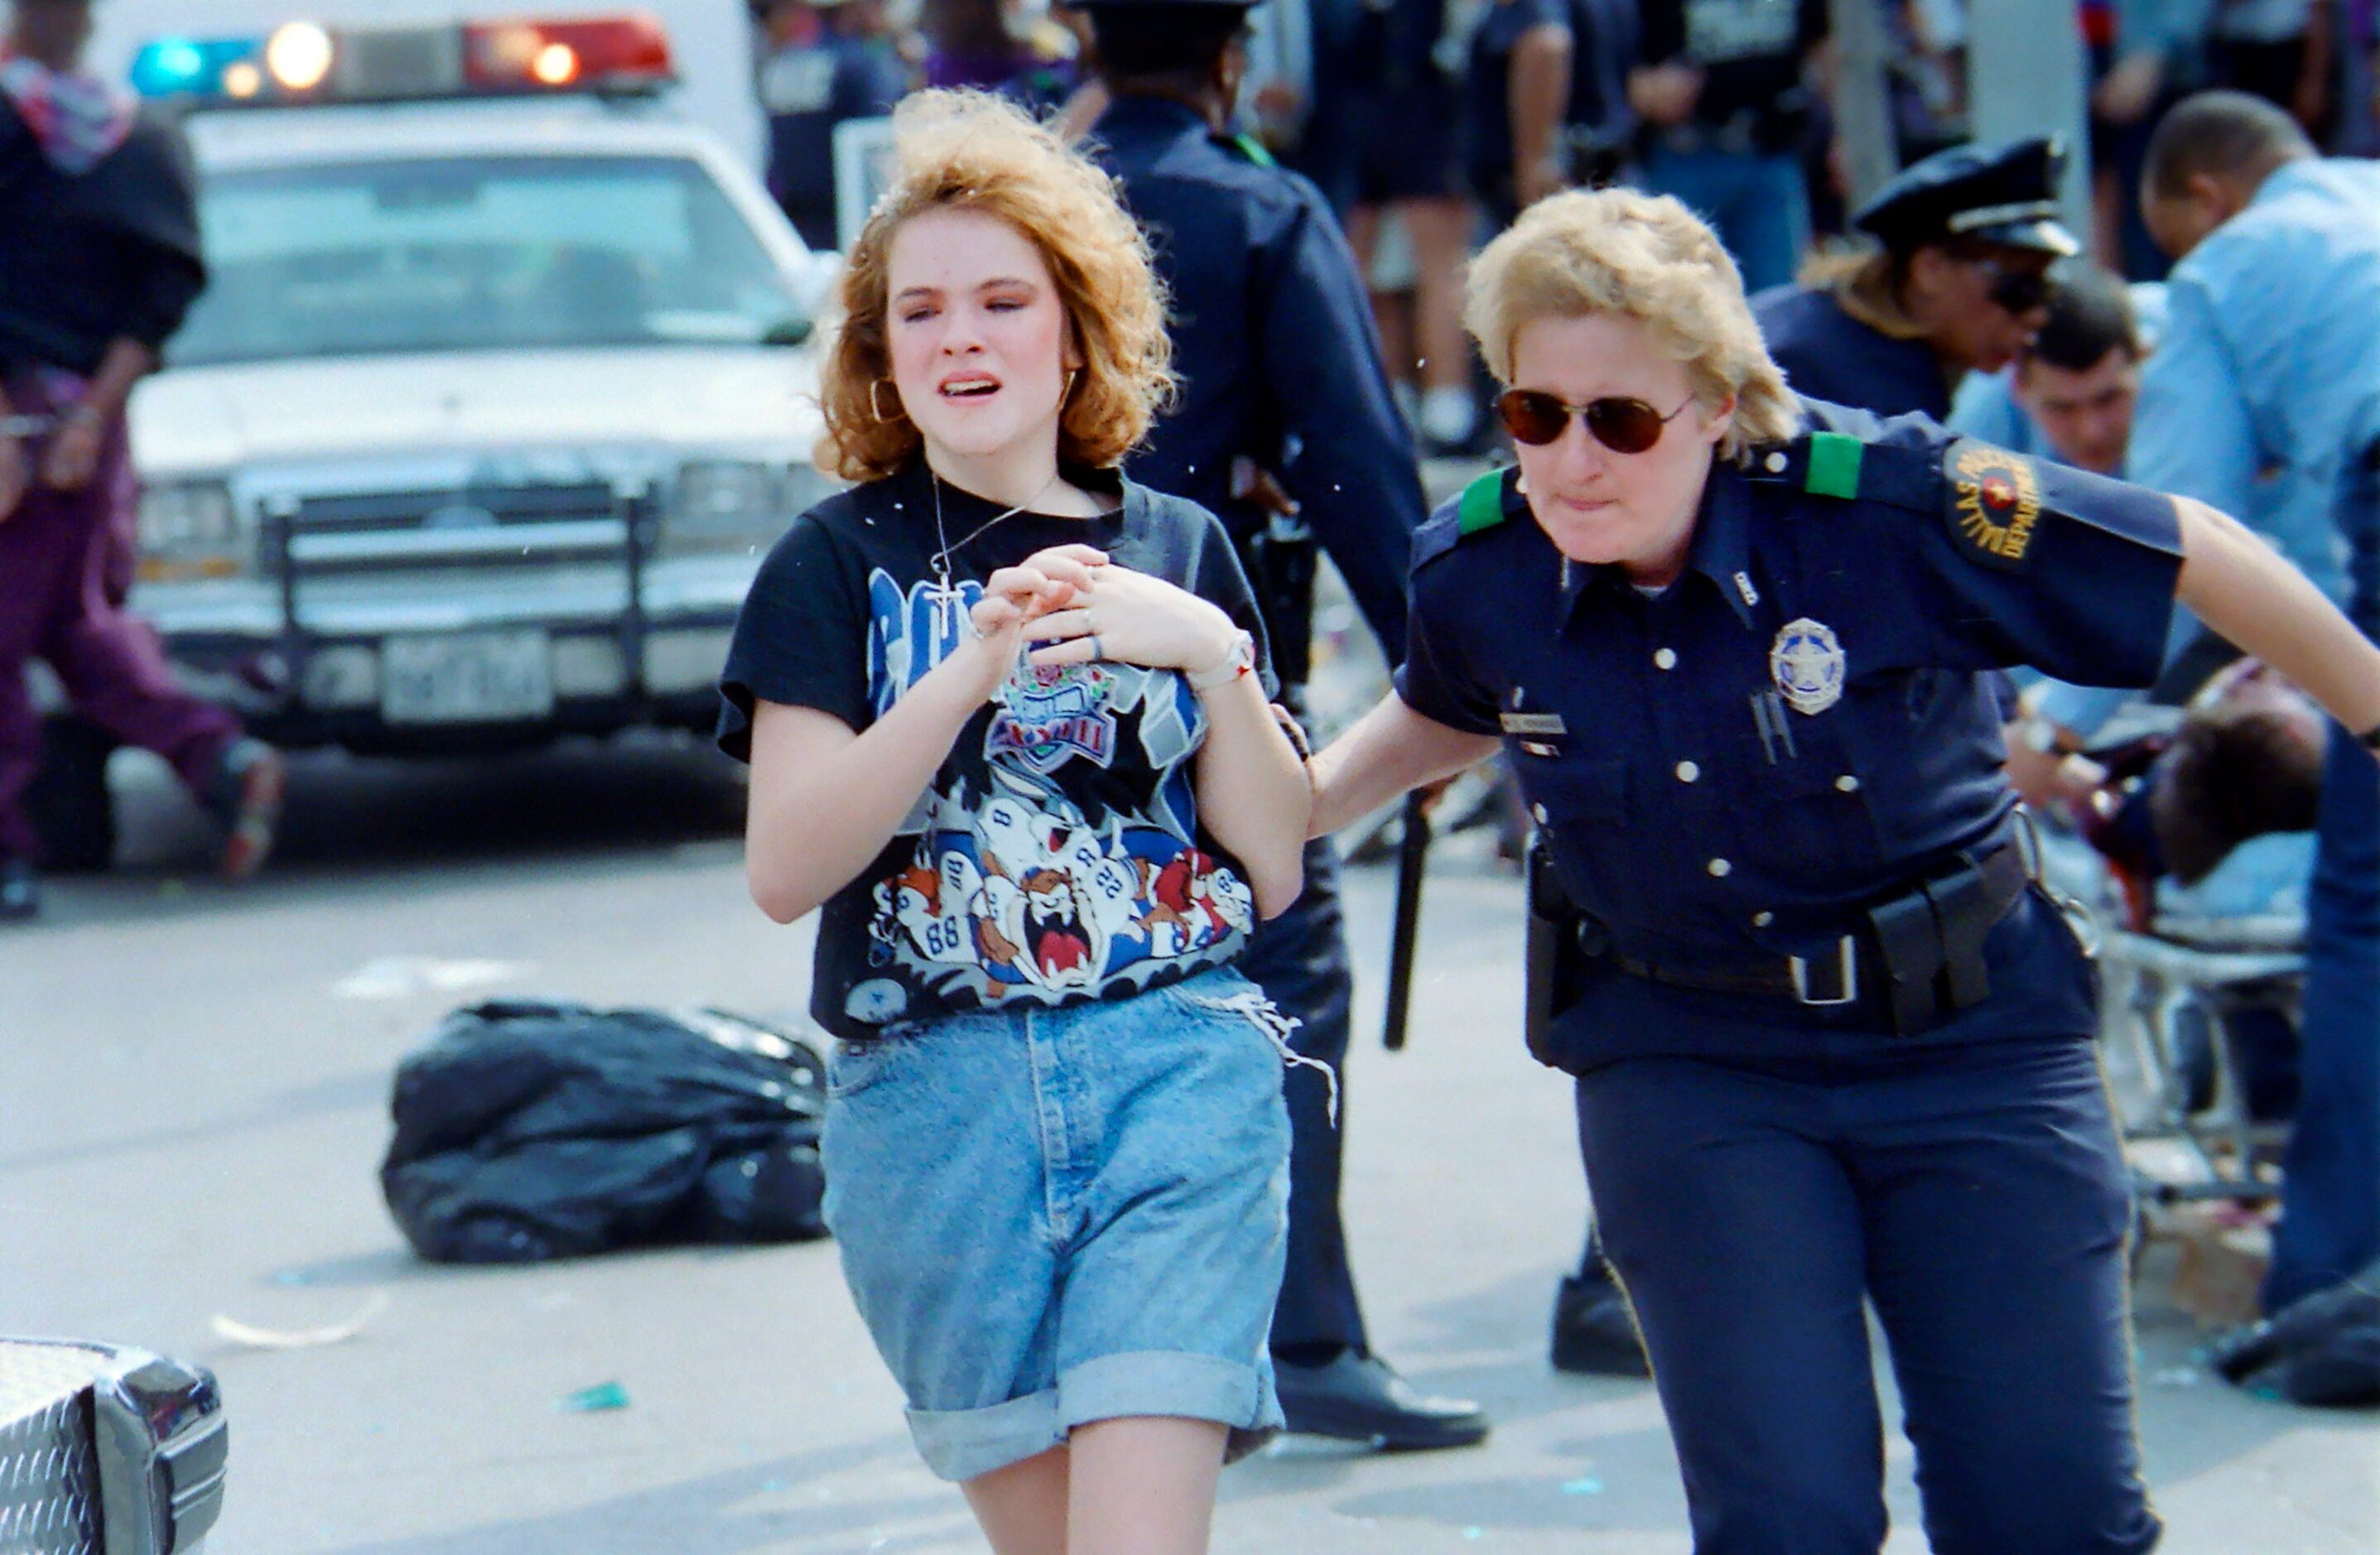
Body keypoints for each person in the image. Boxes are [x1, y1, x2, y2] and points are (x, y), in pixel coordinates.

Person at [1301, 185, 2380, 1552]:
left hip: (1967, 1041)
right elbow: (1447, 704)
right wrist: (1292, 807)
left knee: (2043, 1511)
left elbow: (2191, 550)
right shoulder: (1481, 567)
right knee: (1786, 1519)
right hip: (1692, 1058)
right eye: (1530, 413)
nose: (1570, 460)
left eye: (1618, 419)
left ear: (1716, 401)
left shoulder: (1885, 505)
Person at [720, 90, 1315, 1552]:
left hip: (1174, 1073)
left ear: (1074, 328)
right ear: (881, 354)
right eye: (918, 311)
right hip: (935, 1113)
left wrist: (1205, 650)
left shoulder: (1179, 550)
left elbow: (1278, 860)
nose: (959, 337)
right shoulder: (827, 563)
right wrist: (963, 671)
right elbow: (785, 867)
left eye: (1001, 299)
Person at [1077, 0, 1491, 1451]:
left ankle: (1115, 1353)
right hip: (1196, 670)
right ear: (1234, 60)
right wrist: (1445, 685)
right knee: (1278, 985)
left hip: (996, 662)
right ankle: (1302, 1338)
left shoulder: (1015, 210)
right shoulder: (1257, 206)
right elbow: (1354, 458)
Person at [2127, 89, 2380, 1319]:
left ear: (2204, 200)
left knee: (2368, 911)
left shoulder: (2224, 268)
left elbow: (2178, 539)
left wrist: (2052, 720)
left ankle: (2336, 1281)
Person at [0, 0, 282, 920]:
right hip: (91, 416)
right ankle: (217, 757)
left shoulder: (16, 129)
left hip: (26, 415)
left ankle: (6, 851)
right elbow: (162, 293)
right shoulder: (139, 139)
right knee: (73, 623)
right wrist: (91, 414)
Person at [1753, 135, 2070, 421]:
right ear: (1929, 269)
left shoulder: (1825, 326)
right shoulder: (1871, 396)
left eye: (2045, 287)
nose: (2037, 315)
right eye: (2018, 287)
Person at [1627, 0, 1825, 294]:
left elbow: (1822, 44)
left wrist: (1840, 135)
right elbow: (1608, 53)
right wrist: (1643, 89)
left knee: (1774, 300)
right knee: (1677, 298)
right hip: (1683, 155)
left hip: (1770, 151)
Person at [1947, 262, 2153, 478]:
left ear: (2146, 358)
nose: (2091, 433)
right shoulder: (1980, 424)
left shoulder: (2181, 343)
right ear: (2018, 386)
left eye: (2108, 399)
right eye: (2061, 409)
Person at [753, 0, 909, 253]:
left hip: (794, 234)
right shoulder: (862, 66)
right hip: (848, 232)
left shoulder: (783, 63)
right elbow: (881, 152)